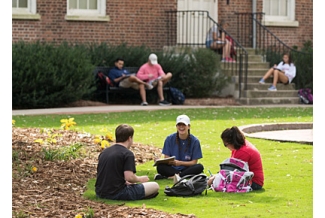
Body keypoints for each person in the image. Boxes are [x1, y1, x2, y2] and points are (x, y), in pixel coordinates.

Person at [95, 124, 160, 200]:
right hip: (117, 193)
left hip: (100, 192)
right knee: (155, 186)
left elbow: (109, 174)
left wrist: (125, 182)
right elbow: (129, 177)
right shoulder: (127, 154)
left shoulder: (105, 152)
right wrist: (140, 179)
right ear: (129, 138)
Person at [207, 126, 264, 190]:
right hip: (253, 180)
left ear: (231, 142)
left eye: (226, 144)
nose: (226, 147)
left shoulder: (242, 152)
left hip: (254, 183)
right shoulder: (239, 147)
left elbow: (233, 173)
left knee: (219, 183)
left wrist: (215, 178)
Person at [154, 114, 204, 181]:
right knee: (160, 167)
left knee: (199, 167)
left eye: (184, 125)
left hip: (187, 168)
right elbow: (166, 157)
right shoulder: (169, 139)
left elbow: (194, 162)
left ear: (188, 126)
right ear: (176, 126)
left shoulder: (195, 141)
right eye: (179, 125)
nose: (181, 127)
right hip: (173, 168)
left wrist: (180, 163)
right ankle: (181, 175)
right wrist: (162, 161)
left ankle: (174, 176)